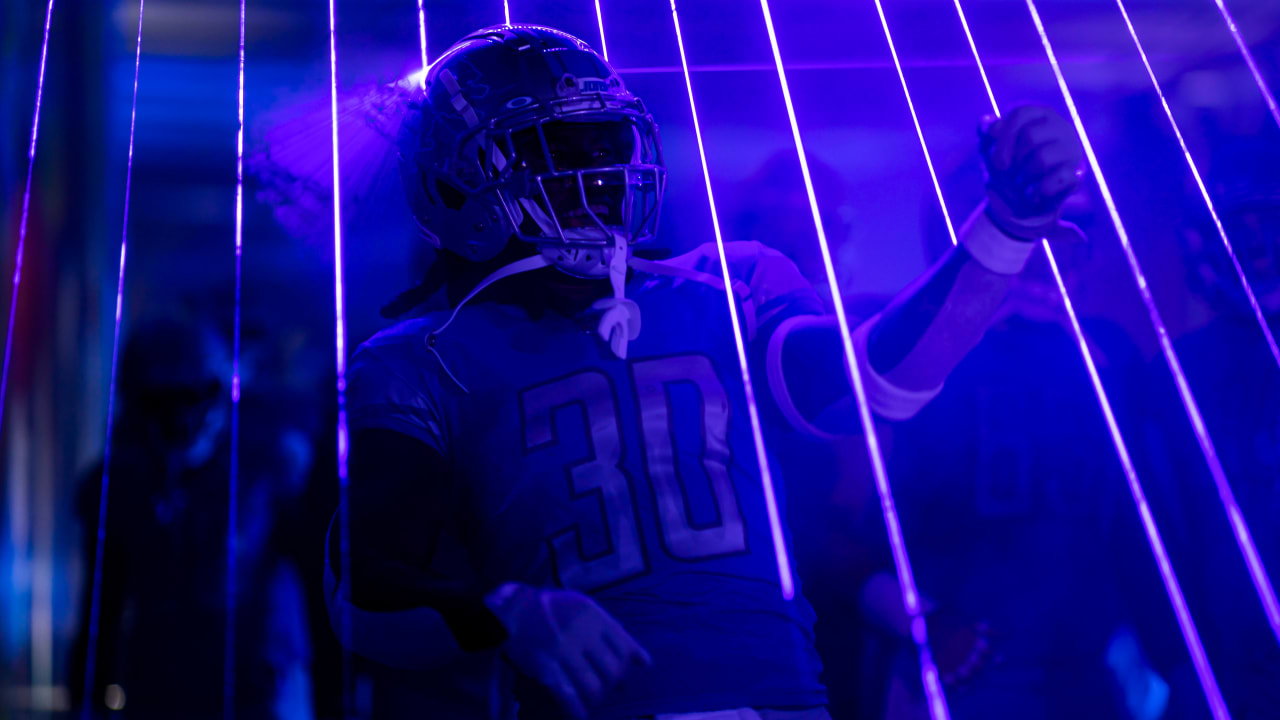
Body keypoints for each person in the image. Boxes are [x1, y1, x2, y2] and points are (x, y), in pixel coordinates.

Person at [325, 24, 1086, 720]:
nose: (602, 173)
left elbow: (870, 384)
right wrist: (505, 610)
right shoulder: (419, 359)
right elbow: (361, 588)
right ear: (463, 181)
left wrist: (1003, 231)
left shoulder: (734, 283)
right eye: (562, 149)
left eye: (606, 142)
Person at [69, 315, 314, 719]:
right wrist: (86, 699)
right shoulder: (119, 484)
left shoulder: (267, 469)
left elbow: (313, 581)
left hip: (254, 685)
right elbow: (100, 606)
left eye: (190, 399)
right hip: (160, 686)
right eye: (163, 402)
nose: (179, 419)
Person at [1138, 136, 1280, 719]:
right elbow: (1153, 534)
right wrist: (1180, 664)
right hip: (1224, 675)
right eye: (1233, 222)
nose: (1251, 240)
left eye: (1263, 219)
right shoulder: (1175, 373)